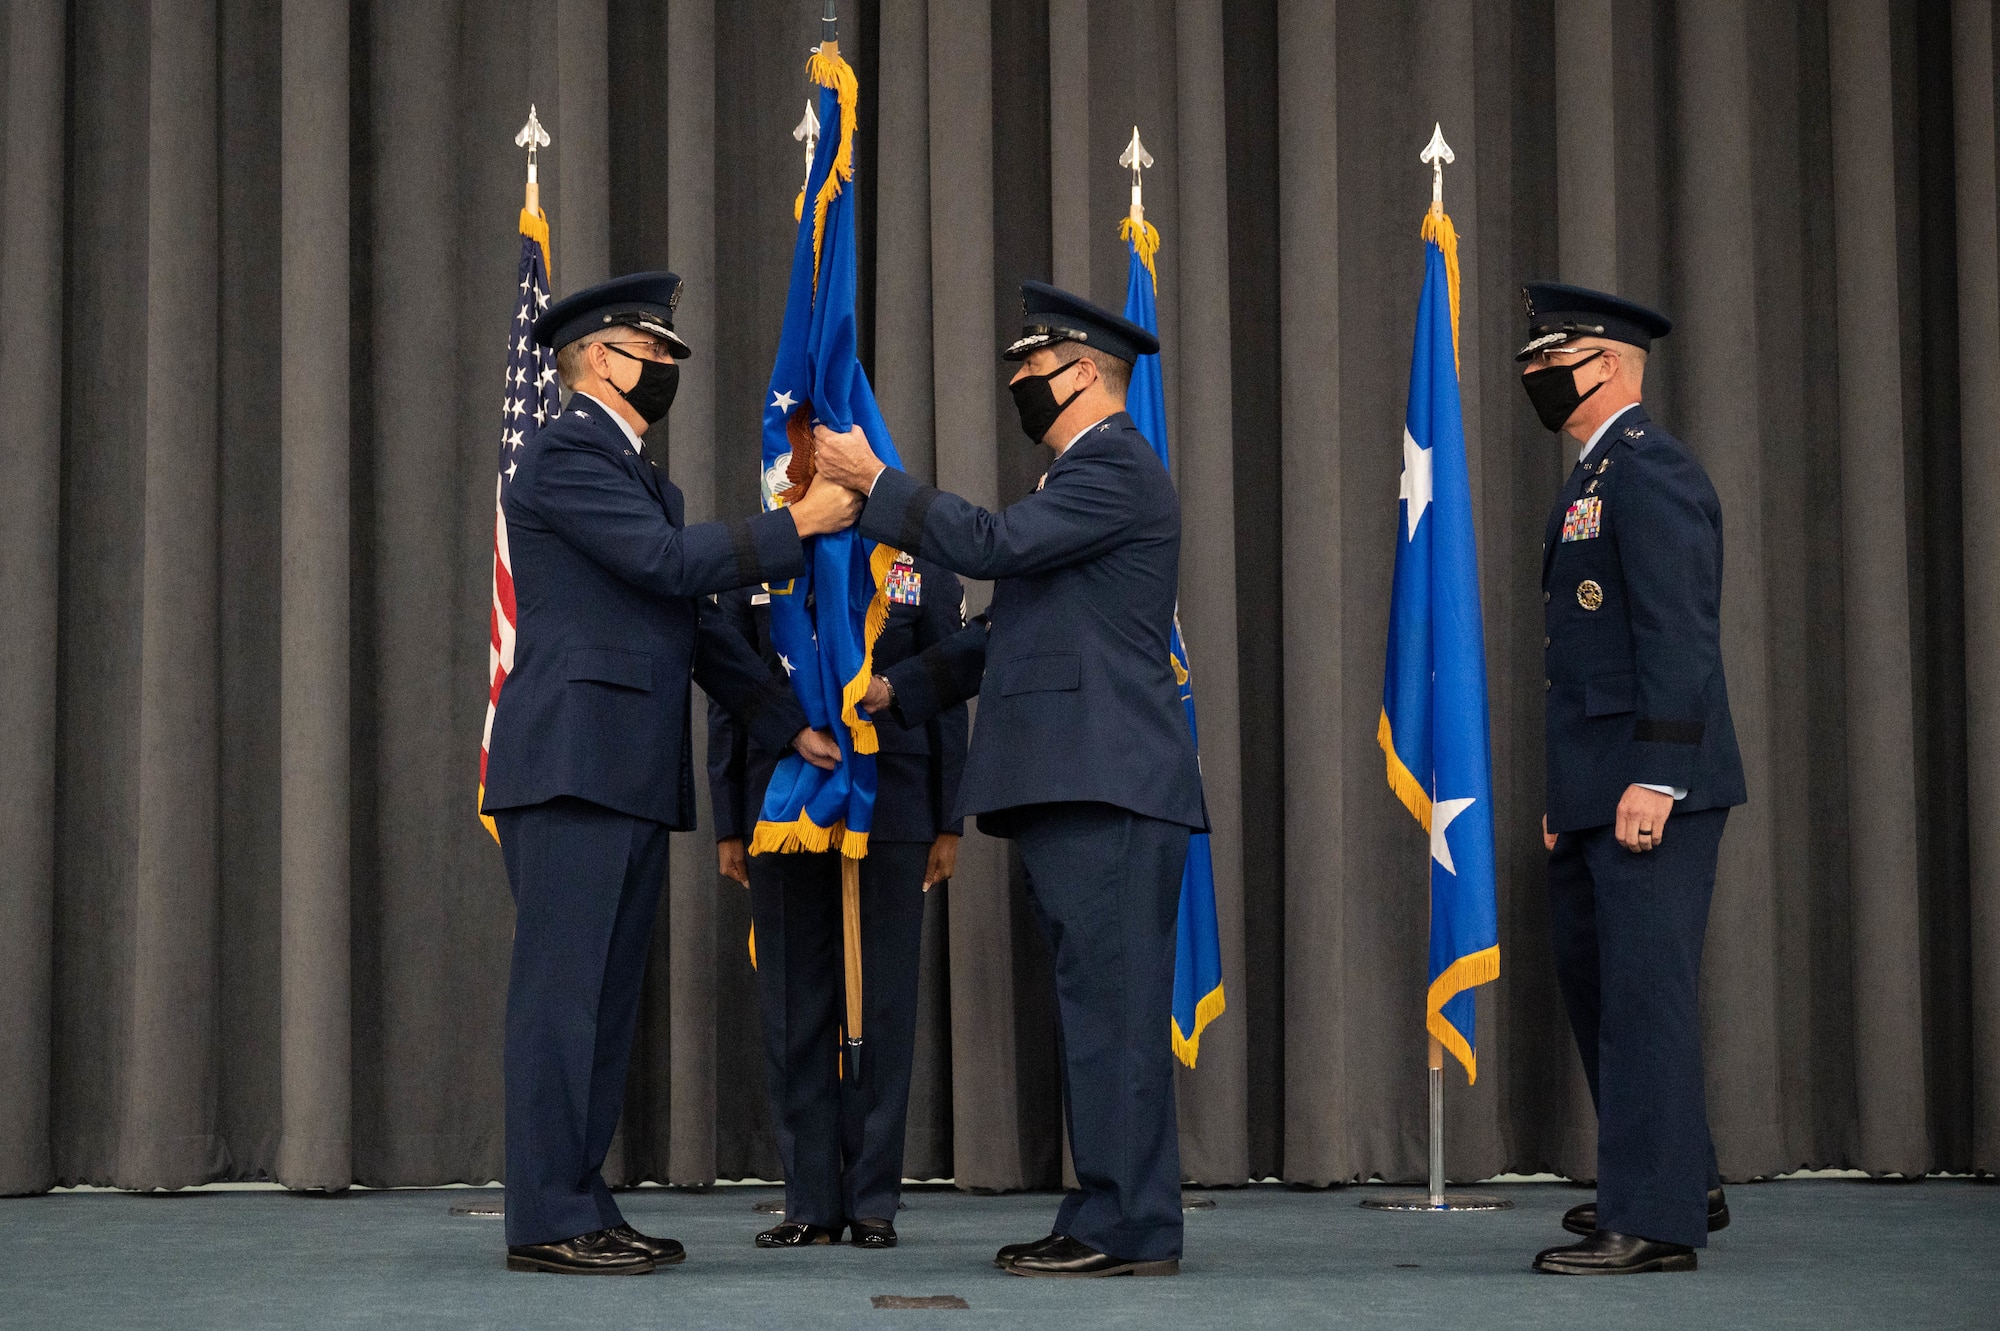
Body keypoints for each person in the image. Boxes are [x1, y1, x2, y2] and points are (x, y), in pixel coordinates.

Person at [811, 281, 1207, 1279]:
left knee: (1111, 1011)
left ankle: (1130, 1227)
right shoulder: (1074, 478)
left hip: (1106, 782)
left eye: (1029, 369)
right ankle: (1101, 1209)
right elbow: (1008, 630)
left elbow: (988, 548)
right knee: (1092, 1007)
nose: (1018, 385)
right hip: (1077, 780)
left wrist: (878, 481)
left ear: (1078, 373)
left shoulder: (1111, 467)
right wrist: (898, 691)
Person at [481, 271, 859, 1275]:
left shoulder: (644, 476)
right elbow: (662, 565)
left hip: (623, 767)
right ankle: (545, 1215)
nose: (666, 369)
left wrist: (788, 724)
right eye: (652, 353)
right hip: (570, 760)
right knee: (562, 998)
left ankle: (578, 1199)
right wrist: (799, 524)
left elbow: (692, 628)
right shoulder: (568, 452)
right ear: (597, 356)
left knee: (602, 1003)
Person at [1517, 281, 1747, 1276]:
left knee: (1640, 995)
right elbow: (1579, 655)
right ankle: (1671, 1172)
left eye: (1545, 358)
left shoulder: (1648, 473)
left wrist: (1655, 774)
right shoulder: (1593, 476)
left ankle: (1651, 1218)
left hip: (1652, 783)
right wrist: (1568, 793)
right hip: (1593, 784)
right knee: (1598, 983)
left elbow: (1676, 636)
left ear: (1604, 361)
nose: (1530, 374)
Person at [705, 554, 968, 1250]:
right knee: (794, 1002)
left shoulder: (916, 564)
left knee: (884, 1001)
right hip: (783, 802)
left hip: (895, 803)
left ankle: (875, 1197)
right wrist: (729, 820)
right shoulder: (757, 563)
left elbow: (944, 681)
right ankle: (810, 1199)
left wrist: (949, 817)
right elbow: (734, 690)